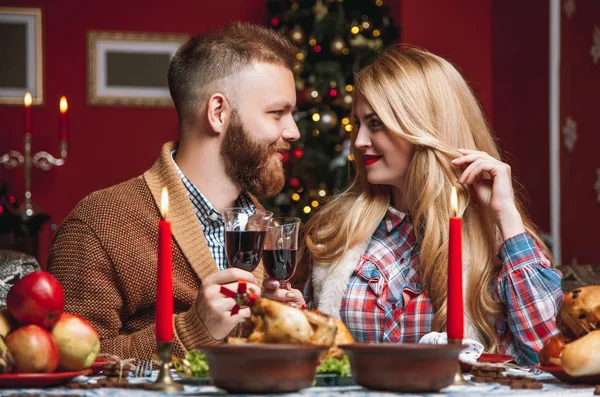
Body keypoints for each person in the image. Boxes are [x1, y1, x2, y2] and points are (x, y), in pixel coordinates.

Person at [47, 22, 303, 360]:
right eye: (277, 113)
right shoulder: (100, 223)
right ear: (218, 112)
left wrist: (269, 321)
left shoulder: (265, 229)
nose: (293, 130)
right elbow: (70, 366)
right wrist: (194, 328)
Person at [302, 46, 562, 366]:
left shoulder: (492, 241)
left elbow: (544, 353)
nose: (359, 141)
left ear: (422, 127)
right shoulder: (338, 231)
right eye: (357, 123)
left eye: (376, 123)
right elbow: (313, 352)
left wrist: (505, 216)